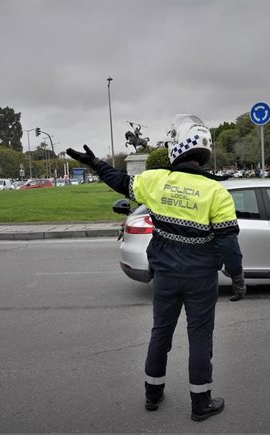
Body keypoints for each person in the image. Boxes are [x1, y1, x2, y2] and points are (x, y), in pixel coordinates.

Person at [66, 114, 246, 422]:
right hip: (201, 278)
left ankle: (152, 394)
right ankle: (200, 404)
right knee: (200, 338)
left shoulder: (155, 179)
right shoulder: (217, 192)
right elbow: (229, 244)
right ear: (204, 152)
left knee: (160, 333)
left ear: (176, 148)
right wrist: (238, 278)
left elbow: (120, 182)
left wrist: (96, 163)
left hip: (164, 275)